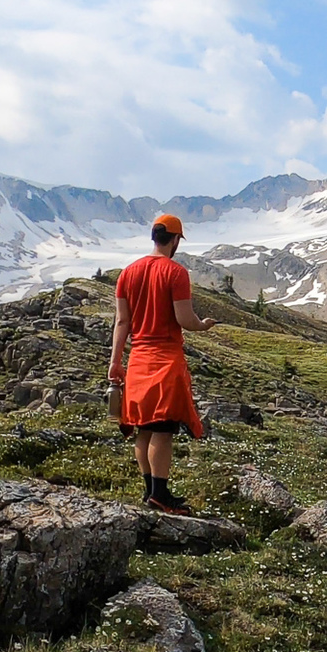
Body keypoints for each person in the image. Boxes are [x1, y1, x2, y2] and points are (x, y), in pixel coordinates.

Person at [111, 213, 217, 515]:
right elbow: (184, 319)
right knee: (162, 429)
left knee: (143, 428)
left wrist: (115, 361)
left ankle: (150, 492)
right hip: (165, 360)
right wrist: (203, 325)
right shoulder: (176, 273)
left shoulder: (127, 273)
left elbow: (122, 321)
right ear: (174, 240)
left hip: (138, 360)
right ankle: (160, 493)